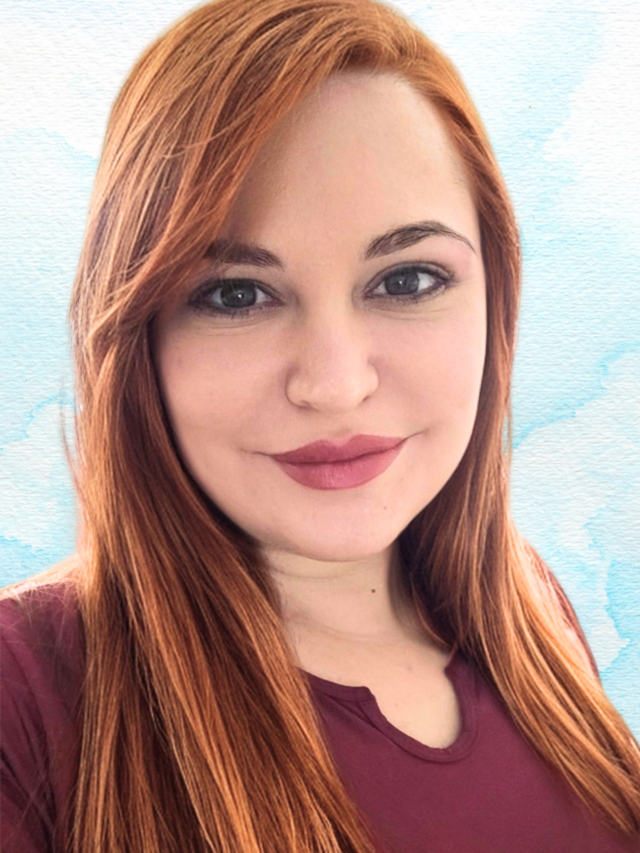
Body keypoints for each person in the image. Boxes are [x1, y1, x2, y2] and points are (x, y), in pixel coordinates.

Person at [1, 0, 639, 851]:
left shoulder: (534, 613)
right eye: (235, 294)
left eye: (407, 280)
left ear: (497, 296)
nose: (336, 386)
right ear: (135, 329)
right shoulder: (24, 695)